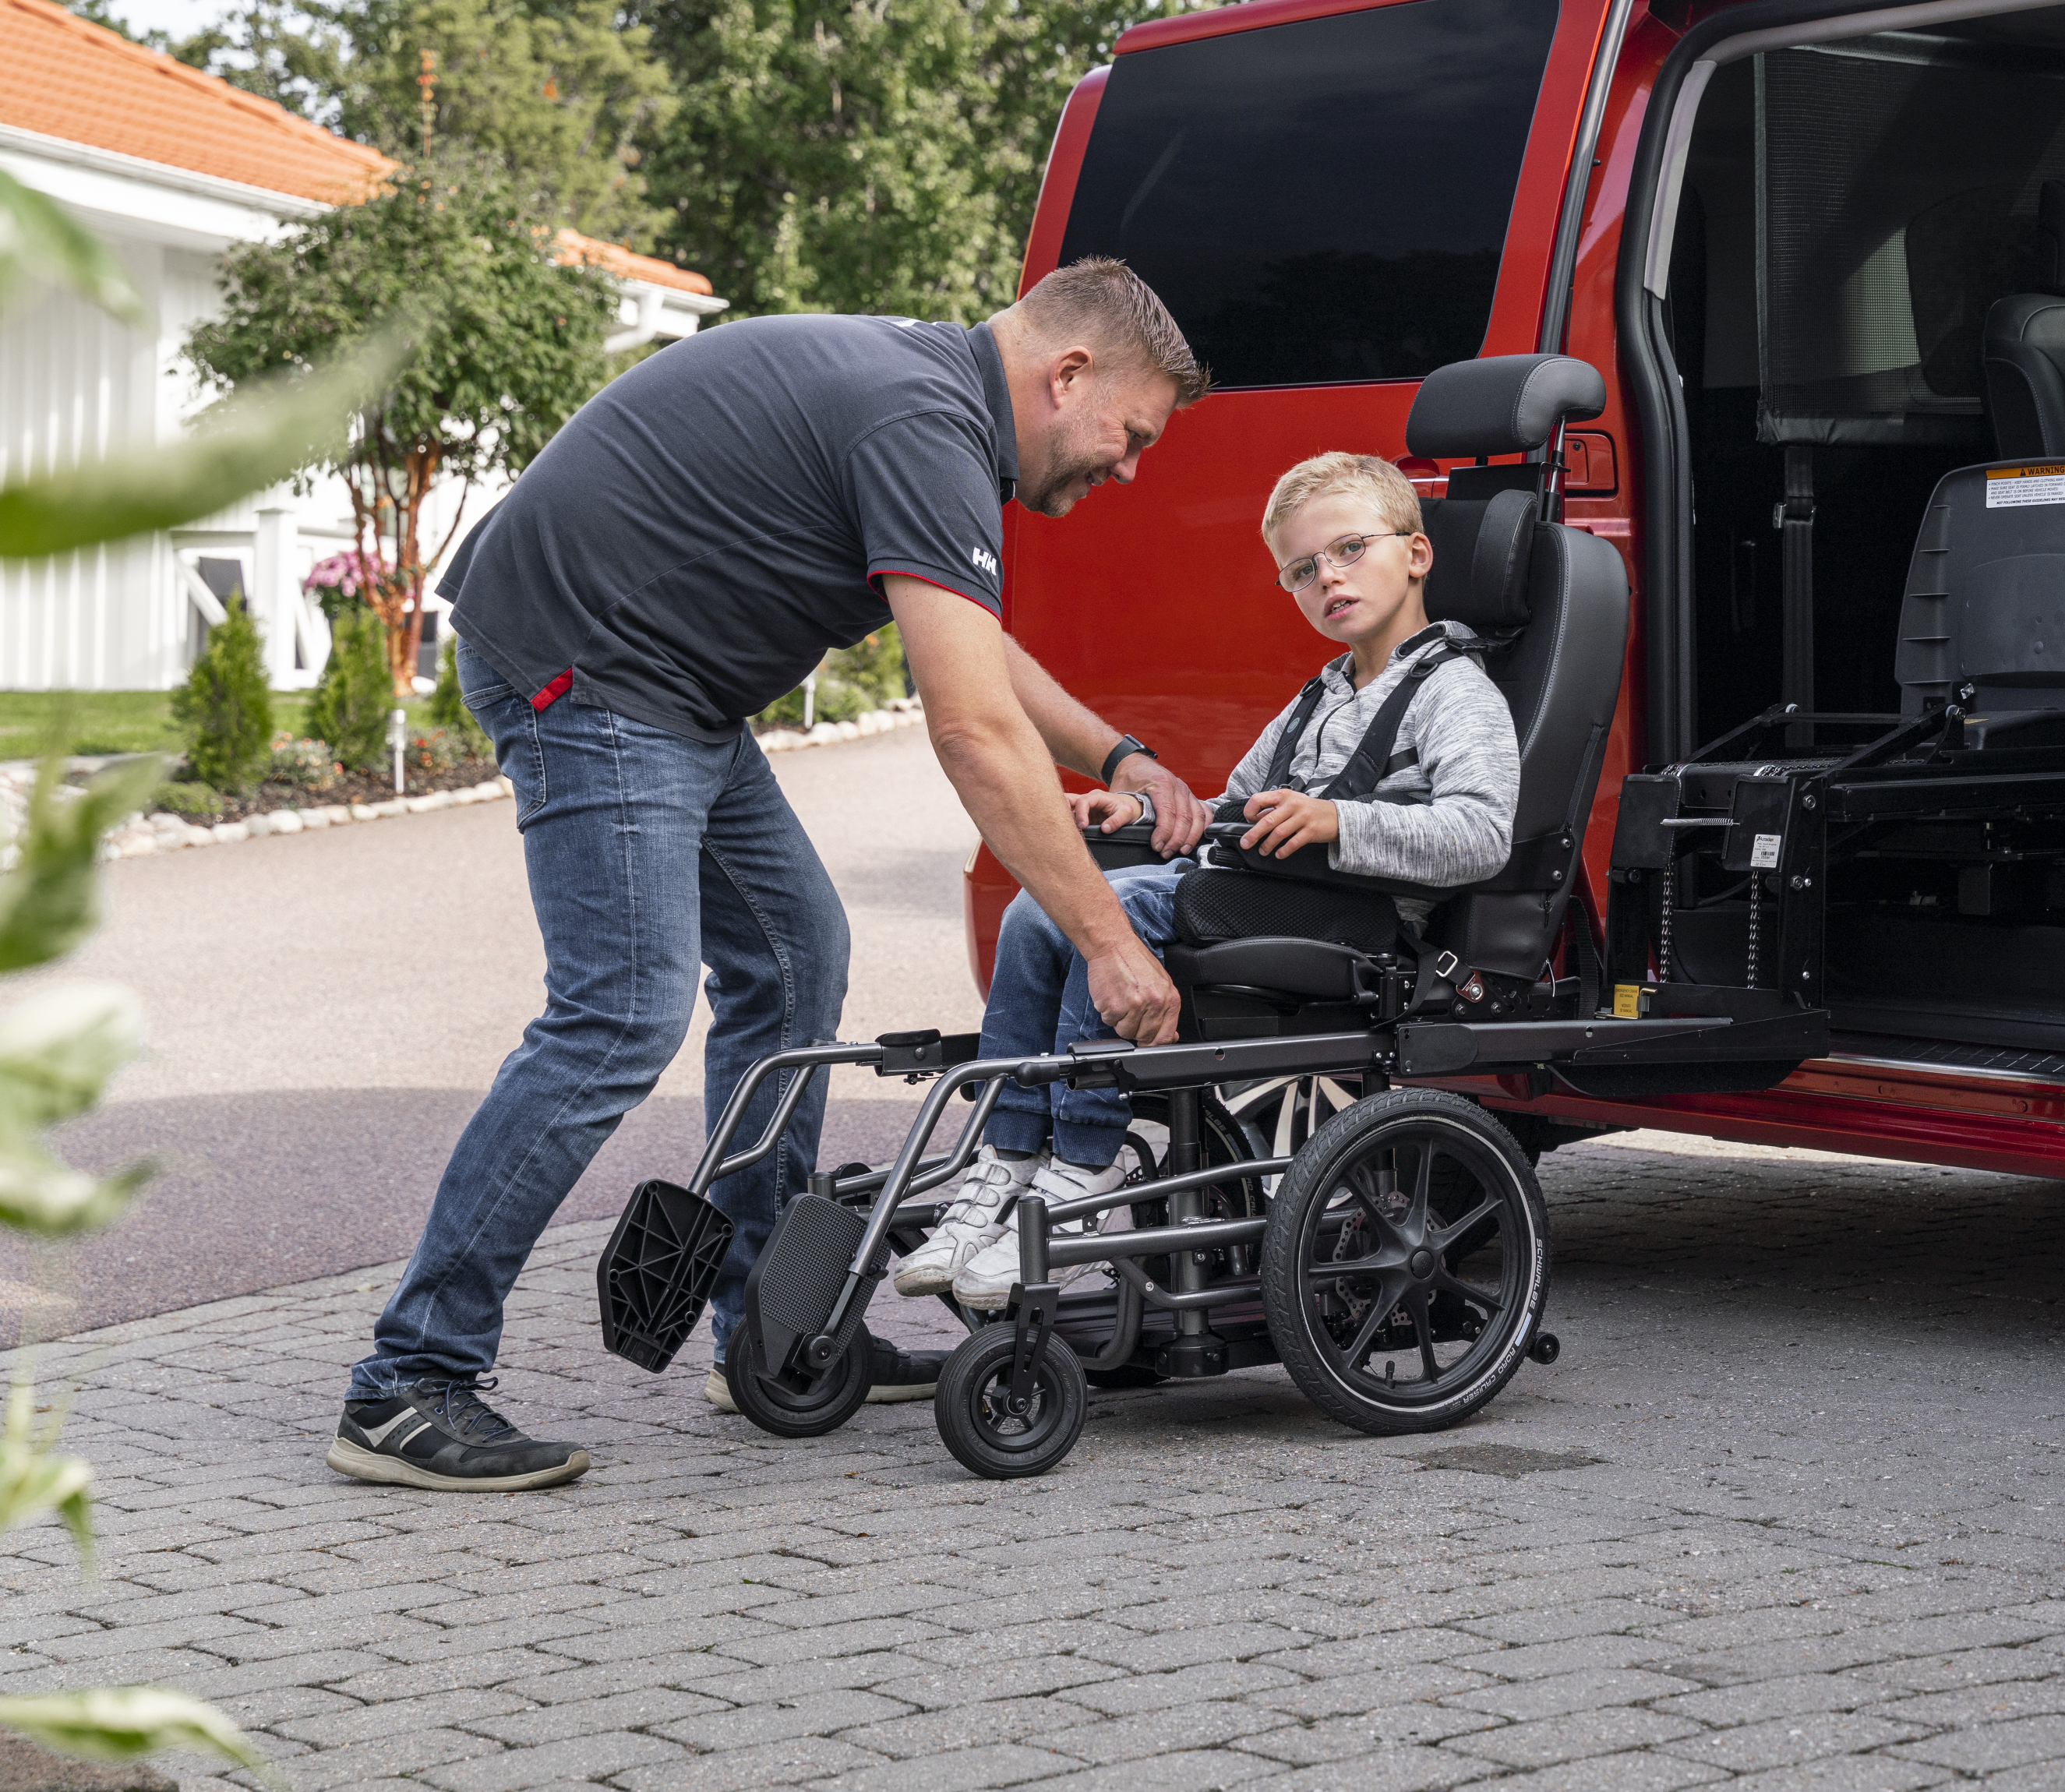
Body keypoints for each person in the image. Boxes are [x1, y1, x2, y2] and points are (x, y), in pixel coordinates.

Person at [328, 259, 1214, 1494]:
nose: (1126, 467)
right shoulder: (927, 420)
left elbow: (979, 645)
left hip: (670, 690)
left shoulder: (930, 398)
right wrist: (1111, 943)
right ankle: (406, 1382)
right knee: (617, 1016)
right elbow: (969, 730)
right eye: (1129, 435)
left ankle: (769, 1337)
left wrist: (1116, 750)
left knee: (797, 958)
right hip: (593, 672)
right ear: (1067, 376)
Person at [887, 452, 1520, 1310]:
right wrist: (1145, 818)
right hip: (1263, 892)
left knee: (1109, 908)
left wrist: (1340, 820)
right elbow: (1234, 808)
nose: (1325, 577)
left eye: (1347, 550)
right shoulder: (1320, 694)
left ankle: (1080, 1172)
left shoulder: (1456, 693)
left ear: (1414, 553)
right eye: (1301, 570)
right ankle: (1003, 1167)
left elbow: (1481, 836)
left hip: (1355, 921)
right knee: (1044, 907)